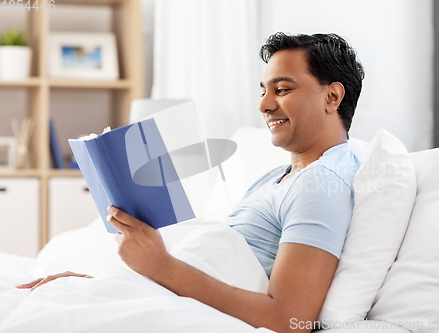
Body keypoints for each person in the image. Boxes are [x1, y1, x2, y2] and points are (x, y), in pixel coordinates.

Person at [18, 32, 364, 333]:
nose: (264, 104)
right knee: (48, 296)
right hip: (159, 293)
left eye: (282, 89)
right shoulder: (279, 177)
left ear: (332, 97)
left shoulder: (322, 184)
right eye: (263, 90)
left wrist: (158, 265)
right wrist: (107, 286)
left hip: (175, 300)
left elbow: (288, 320)